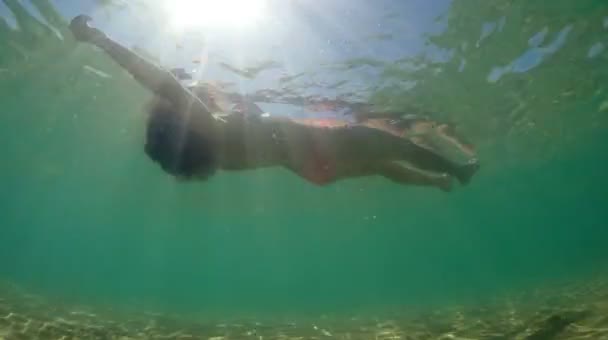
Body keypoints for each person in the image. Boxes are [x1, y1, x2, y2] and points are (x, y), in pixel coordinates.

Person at [69, 15, 479, 192]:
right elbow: (154, 77)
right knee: (385, 143)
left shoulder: (217, 153)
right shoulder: (210, 124)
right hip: (317, 149)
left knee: (378, 166)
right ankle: (457, 172)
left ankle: (438, 183)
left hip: (310, 171)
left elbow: (164, 87)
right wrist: (102, 39)